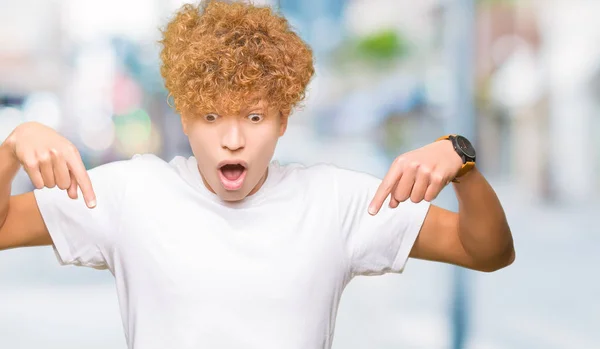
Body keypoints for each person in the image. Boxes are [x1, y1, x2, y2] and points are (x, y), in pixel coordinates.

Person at [0, 1, 514, 348]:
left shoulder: (334, 201)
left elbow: (489, 251)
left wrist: (462, 164)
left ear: (283, 118)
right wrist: (12, 149)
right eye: (210, 116)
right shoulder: (130, 192)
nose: (233, 139)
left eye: (253, 116)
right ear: (184, 116)